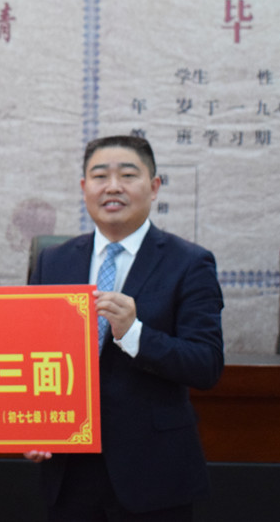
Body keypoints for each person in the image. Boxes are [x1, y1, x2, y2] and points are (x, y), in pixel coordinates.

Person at [26, 134, 224, 521]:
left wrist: (134, 333)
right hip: (69, 470)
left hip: (153, 473)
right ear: (84, 188)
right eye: (100, 176)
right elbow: (29, 354)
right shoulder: (53, 261)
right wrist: (34, 426)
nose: (113, 186)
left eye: (128, 175)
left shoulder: (189, 262)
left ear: (154, 187)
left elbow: (206, 364)